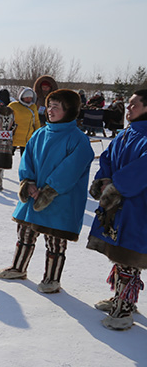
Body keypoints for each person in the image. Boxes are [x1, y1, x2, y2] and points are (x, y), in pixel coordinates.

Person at [0, 89, 94, 294]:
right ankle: (18, 267)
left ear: (69, 110)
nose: (50, 111)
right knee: (25, 233)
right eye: (49, 106)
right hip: (32, 195)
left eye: (56, 107)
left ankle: (52, 279)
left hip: (60, 201)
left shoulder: (78, 139)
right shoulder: (40, 133)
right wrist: (27, 182)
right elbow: (27, 159)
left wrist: (49, 189)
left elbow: (71, 169)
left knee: (55, 242)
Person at [85, 89, 147, 330]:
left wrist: (117, 186)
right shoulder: (126, 133)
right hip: (117, 206)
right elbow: (107, 159)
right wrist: (103, 181)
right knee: (120, 255)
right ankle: (122, 299)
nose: (127, 108)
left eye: (133, 105)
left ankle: (123, 310)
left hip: (137, 206)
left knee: (129, 257)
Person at [8, 87, 41, 156]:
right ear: (22, 97)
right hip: (13, 136)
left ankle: (23, 167)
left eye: (30, 98)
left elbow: (36, 121)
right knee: (7, 156)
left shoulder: (33, 107)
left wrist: (37, 133)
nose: (29, 99)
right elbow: (6, 118)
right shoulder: (13, 106)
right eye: (26, 97)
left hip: (27, 137)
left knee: (25, 158)